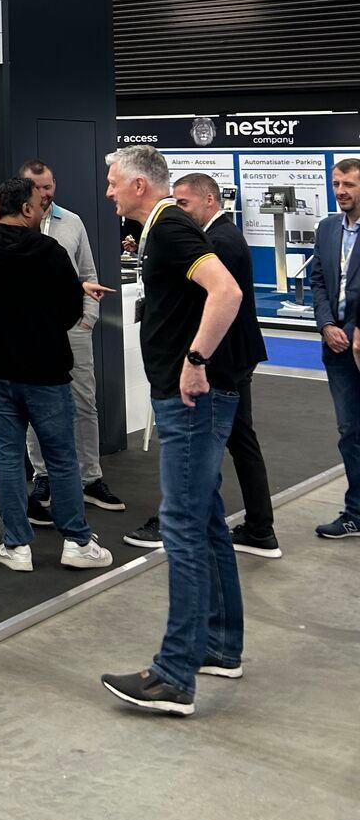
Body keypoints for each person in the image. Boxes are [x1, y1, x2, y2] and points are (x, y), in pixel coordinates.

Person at [100, 146, 245, 718]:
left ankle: (173, 674)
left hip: (193, 402)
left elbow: (226, 292)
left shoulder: (169, 228)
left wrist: (195, 359)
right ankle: (219, 645)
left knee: (183, 528)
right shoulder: (167, 228)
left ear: (139, 186)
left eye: (114, 183)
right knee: (206, 523)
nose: (108, 192)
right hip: (193, 400)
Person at [0, 175, 113, 575]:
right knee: (62, 458)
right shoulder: (49, 252)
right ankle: (78, 541)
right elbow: (71, 310)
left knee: (10, 457)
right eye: (40, 202)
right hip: (46, 372)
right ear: (28, 209)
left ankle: (16, 546)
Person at [125, 174, 277, 556]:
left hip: (222, 360)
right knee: (238, 442)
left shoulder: (218, 241)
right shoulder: (220, 236)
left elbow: (217, 297)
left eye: (185, 204)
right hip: (232, 357)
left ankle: (212, 521)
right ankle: (258, 528)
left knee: (211, 443)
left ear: (210, 201)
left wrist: (195, 360)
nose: (179, 211)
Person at [18, 161, 124, 520]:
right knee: (35, 405)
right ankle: (43, 474)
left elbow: (88, 273)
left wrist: (87, 321)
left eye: (49, 186)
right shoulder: (16, 224)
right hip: (32, 330)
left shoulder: (72, 222)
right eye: (38, 187)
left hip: (72, 330)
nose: (45, 193)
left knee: (84, 402)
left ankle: (90, 478)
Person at [309, 157, 360, 541]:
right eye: (337, 184)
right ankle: (355, 512)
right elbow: (320, 280)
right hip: (338, 349)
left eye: (349, 185)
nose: (341, 191)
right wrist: (327, 325)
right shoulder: (327, 228)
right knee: (349, 432)